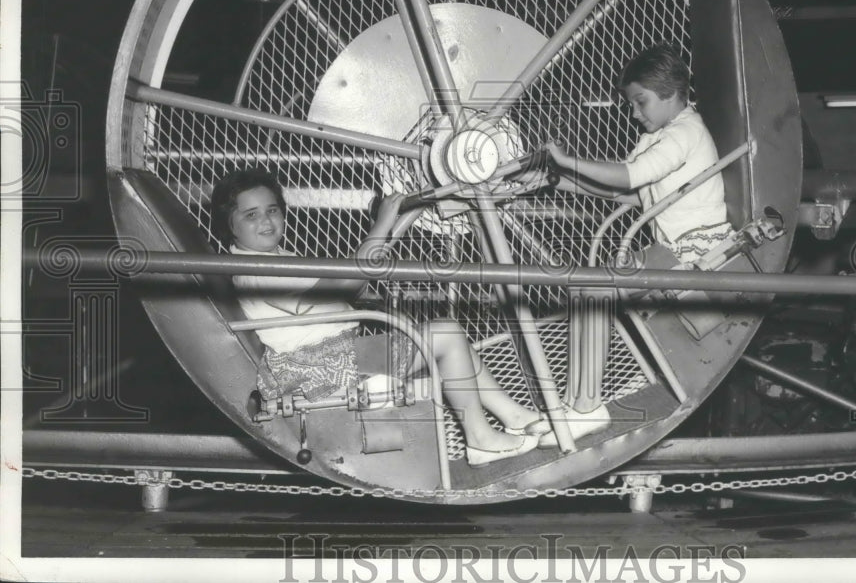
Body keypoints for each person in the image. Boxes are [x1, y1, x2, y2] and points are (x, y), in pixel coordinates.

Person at [211, 167, 547, 466]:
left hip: (331, 357)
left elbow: (333, 293)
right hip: (319, 370)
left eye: (272, 210)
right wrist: (383, 223)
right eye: (251, 215)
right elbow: (344, 282)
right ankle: (481, 439)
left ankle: (513, 415)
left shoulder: (270, 257)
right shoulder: (257, 269)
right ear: (230, 226)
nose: (266, 221)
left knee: (442, 334)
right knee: (445, 334)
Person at [542, 42, 733, 445]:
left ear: (671, 93)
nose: (635, 112)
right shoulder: (662, 135)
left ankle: (586, 407)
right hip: (674, 252)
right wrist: (555, 181)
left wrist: (566, 161)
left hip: (696, 255)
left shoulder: (685, 132)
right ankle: (578, 403)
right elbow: (625, 193)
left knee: (593, 287)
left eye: (641, 102)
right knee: (587, 286)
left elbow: (630, 177)